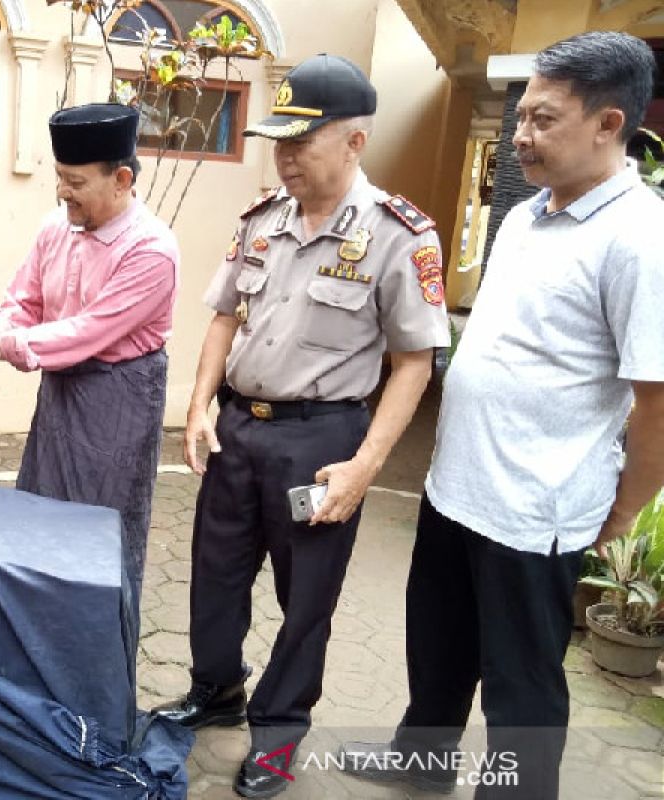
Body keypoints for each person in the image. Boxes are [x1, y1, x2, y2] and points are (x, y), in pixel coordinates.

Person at [340, 32, 664, 799]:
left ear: (609, 124)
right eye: (520, 116)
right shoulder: (527, 216)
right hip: (459, 488)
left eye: (542, 120)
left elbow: (657, 401)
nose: (519, 136)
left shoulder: (640, 240)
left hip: (535, 509)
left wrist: (625, 505)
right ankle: (421, 765)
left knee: (522, 687)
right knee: (440, 648)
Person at [151, 54, 449, 798]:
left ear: (354, 140)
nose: (283, 155)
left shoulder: (397, 235)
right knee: (214, 578)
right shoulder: (262, 220)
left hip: (319, 445)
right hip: (237, 432)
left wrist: (365, 465)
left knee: (304, 597)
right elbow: (225, 315)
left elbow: (415, 362)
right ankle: (217, 689)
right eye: (276, 140)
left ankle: (279, 736)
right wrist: (198, 405)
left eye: (299, 141)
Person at [0, 103, 180, 611]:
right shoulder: (56, 227)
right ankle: (37, 656)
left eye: (75, 181)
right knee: (37, 521)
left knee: (99, 540)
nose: (62, 192)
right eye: (59, 177)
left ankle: (96, 678)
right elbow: (24, 300)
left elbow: (86, 333)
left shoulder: (152, 250)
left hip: (117, 401)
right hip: (59, 390)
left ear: (121, 179)